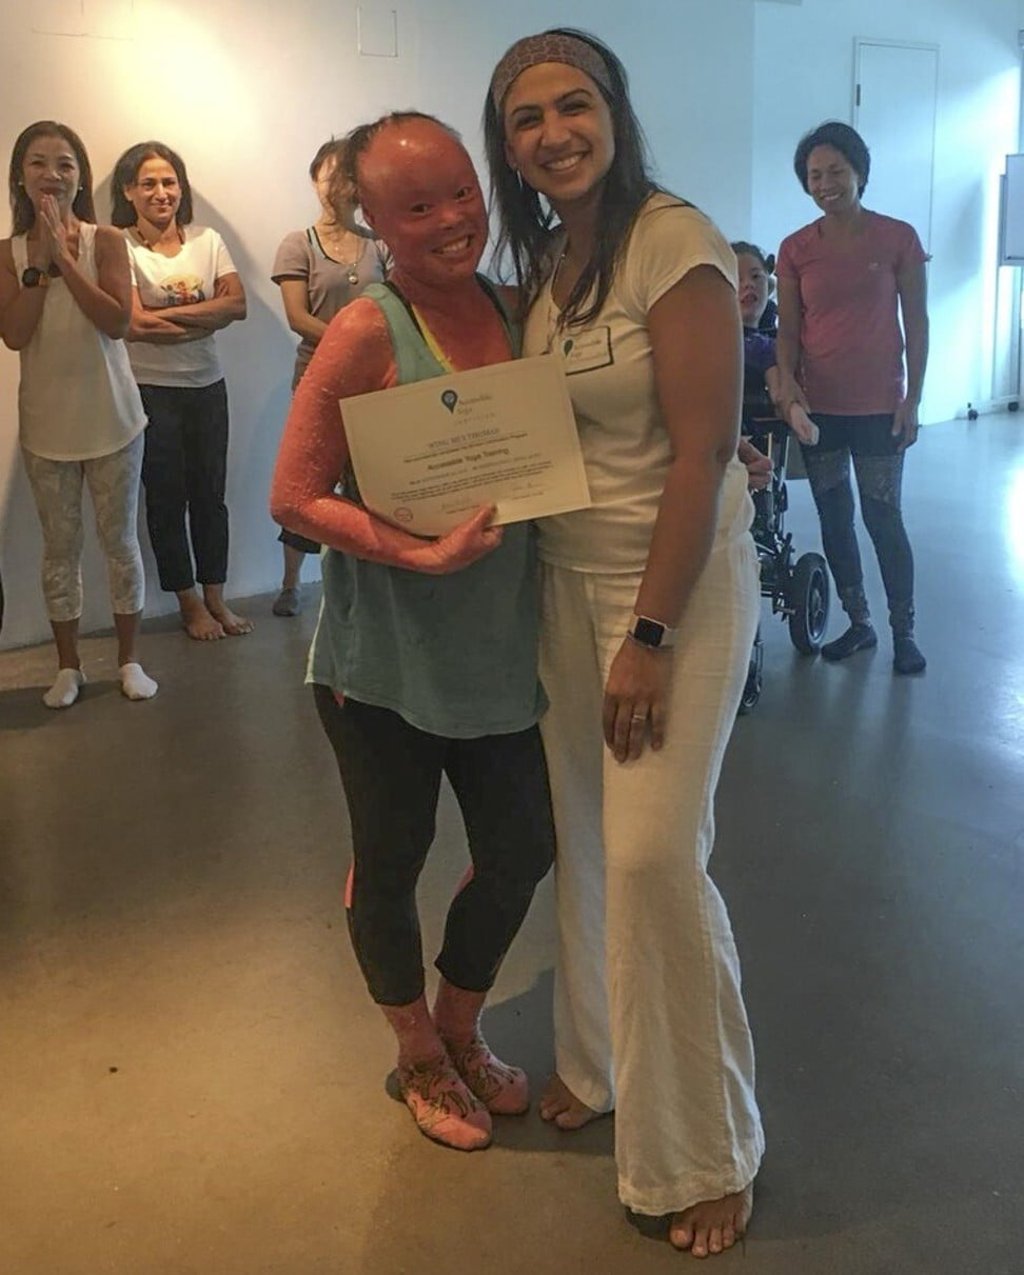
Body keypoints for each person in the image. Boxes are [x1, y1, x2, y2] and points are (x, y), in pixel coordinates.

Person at [484, 29, 762, 1258]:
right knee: (588, 849)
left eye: (572, 104)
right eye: (526, 118)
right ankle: (599, 1066)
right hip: (563, 585)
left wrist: (647, 635)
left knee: (653, 858)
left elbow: (701, 454)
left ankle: (711, 1147)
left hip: (675, 592)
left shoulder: (673, 242)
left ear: (613, 110)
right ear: (510, 146)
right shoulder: (548, 262)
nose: (553, 132)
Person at [270, 112, 554, 1153]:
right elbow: (293, 498)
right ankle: (416, 1056)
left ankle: (457, 1027)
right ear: (374, 220)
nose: (451, 220)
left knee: (522, 848)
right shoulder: (364, 327)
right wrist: (416, 553)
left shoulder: (516, 308)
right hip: (379, 665)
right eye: (418, 205)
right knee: (389, 863)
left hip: (495, 655)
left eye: (462, 195)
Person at [0, 121, 157, 708]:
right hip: (47, 426)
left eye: (65, 164)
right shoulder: (7, 254)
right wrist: (39, 263)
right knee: (59, 549)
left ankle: (130, 660)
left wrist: (67, 260)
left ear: (80, 176)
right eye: (39, 163)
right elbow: (14, 334)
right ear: (20, 175)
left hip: (114, 419)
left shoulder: (107, 241)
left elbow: (117, 323)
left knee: (119, 543)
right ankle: (67, 667)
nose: (52, 175)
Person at [774, 121, 928, 674]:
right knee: (835, 518)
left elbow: (917, 322)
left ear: (859, 172)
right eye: (814, 175)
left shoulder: (898, 238)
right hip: (821, 411)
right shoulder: (795, 249)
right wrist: (788, 385)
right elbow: (787, 332)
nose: (825, 183)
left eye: (836, 171)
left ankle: (903, 632)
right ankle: (859, 623)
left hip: (881, 406)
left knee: (883, 518)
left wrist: (913, 398)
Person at [111, 141, 252, 641]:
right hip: (152, 392)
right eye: (148, 182)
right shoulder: (119, 246)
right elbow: (131, 324)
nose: (160, 192)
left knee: (211, 497)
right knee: (166, 500)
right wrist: (201, 316)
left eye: (169, 181)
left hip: (207, 387)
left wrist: (162, 317)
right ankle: (188, 601)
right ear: (128, 190)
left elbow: (236, 306)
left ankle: (216, 595)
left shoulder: (208, 241)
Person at [269, 138, 388, 617]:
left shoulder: (379, 244)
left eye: (345, 174)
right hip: (316, 378)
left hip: (375, 383)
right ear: (314, 179)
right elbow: (298, 317)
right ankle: (292, 583)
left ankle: (371, 578)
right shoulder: (298, 244)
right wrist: (351, 343)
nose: (335, 184)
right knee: (309, 484)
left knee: (372, 485)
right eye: (327, 173)